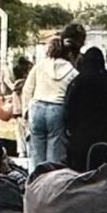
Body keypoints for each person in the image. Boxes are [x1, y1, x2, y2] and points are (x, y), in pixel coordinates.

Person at [23, 37, 77, 171]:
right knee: (55, 149)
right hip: (57, 108)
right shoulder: (71, 71)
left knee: (36, 150)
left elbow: (27, 89)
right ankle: (51, 178)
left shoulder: (39, 66)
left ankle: (35, 178)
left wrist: (26, 111)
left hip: (37, 107)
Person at [65, 47, 107, 170]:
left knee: (81, 167)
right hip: (103, 131)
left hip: (80, 132)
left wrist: (69, 126)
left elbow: (70, 105)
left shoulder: (78, 81)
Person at [9, 56, 33, 157]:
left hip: (17, 114)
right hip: (26, 114)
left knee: (20, 137)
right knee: (29, 136)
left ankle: (21, 153)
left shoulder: (15, 86)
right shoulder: (27, 85)